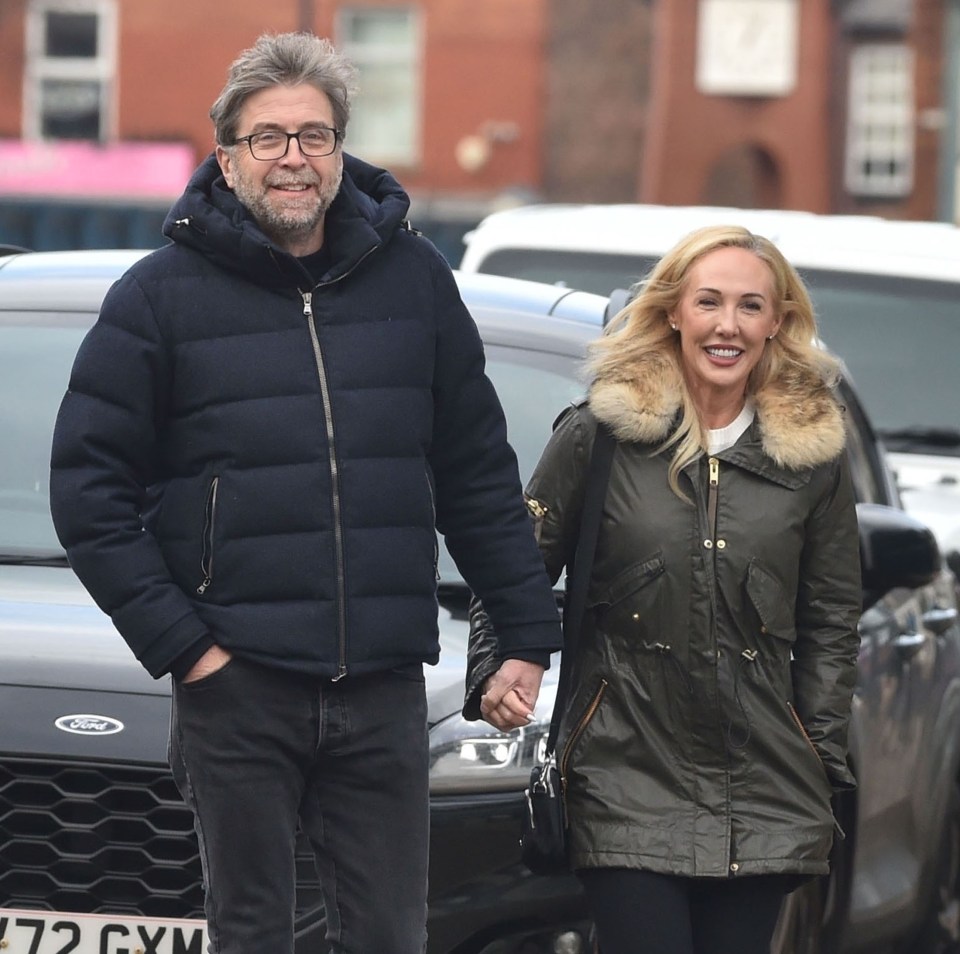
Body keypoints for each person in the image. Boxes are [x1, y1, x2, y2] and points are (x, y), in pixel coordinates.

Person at [49, 31, 562, 954]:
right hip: (237, 687)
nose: (294, 157)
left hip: (383, 689)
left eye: (315, 136)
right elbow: (88, 491)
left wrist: (525, 634)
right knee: (255, 936)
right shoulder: (157, 299)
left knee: (386, 937)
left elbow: (476, 470)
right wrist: (186, 649)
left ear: (342, 150)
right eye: (269, 138)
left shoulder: (414, 282)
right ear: (228, 157)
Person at [465, 225, 862, 954]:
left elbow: (832, 617)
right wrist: (504, 663)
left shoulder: (813, 460)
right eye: (708, 301)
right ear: (674, 311)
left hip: (767, 782)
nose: (727, 324)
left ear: (777, 322)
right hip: (625, 770)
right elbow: (514, 566)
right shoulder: (601, 435)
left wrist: (821, 754)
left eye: (750, 306)